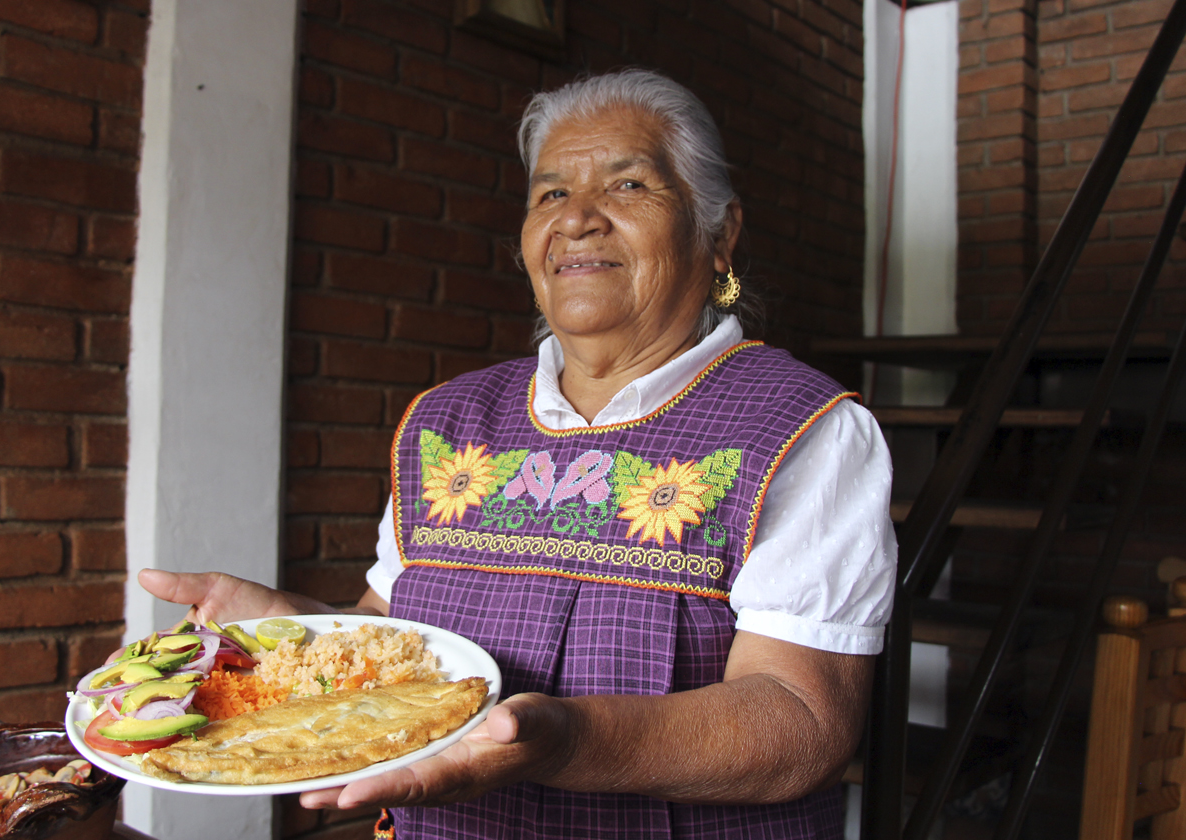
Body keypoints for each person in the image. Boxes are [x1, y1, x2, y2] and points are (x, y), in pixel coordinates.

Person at [139, 68, 896, 839]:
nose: (577, 220)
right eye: (550, 194)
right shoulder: (450, 422)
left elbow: (801, 724)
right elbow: (393, 639)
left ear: (720, 233)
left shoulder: (800, 428)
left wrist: (564, 742)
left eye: (628, 185)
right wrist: (288, 626)